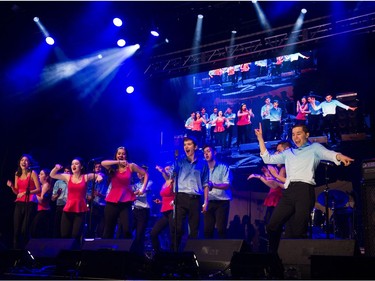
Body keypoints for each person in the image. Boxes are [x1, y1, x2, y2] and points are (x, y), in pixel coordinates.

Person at [254, 123, 354, 254]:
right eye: (293, 134)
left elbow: (329, 154)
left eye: (299, 133)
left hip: (304, 191)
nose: (295, 137)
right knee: (272, 225)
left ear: (307, 135)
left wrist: (340, 157)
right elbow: (267, 159)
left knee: (298, 231)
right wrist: (261, 139)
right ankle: (273, 257)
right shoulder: (288, 152)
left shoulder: (314, 148)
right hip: (289, 191)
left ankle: (298, 263)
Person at [50, 158, 103, 242]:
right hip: (68, 208)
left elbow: (97, 175)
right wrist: (56, 168)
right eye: (72, 164)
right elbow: (52, 175)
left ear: (81, 166)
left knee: (76, 235)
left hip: (80, 209)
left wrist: (100, 176)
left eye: (76, 164)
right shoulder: (68, 177)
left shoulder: (85, 177)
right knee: (64, 234)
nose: (73, 166)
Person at [101, 146, 149, 239]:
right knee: (108, 229)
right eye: (119, 153)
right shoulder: (112, 167)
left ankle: (127, 251)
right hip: (112, 201)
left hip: (126, 201)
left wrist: (143, 188)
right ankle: (107, 251)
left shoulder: (131, 166)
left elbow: (145, 174)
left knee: (127, 229)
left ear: (126, 155)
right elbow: (103, 163)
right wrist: (118, 162)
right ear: (116, 155)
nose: (121, 155)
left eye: (123, 153)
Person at [171, 136, 209, 251]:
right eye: (184, 145)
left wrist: (206, 202)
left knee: (194, 229)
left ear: (195, 147)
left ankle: (192, 255)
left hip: (195, 199)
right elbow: (172, 178)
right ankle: (174, 255)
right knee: (177, 228)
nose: (186, 147)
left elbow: (205, 184)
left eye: (189, 144)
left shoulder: (203, 164)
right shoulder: (179, 162)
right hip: (181, 197)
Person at [247, 141, 291, 225]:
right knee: (270, 222)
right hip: (274, 196)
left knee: (274, 223)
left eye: (279, 152)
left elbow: (277, 185)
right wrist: (263, 176)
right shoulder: (275, 168)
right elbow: (274, 184)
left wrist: (269, 176)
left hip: (280, 197)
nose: (277, 155)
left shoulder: (283, 168)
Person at [6, 154, 41, 249]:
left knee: (24, 230)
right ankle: (16, 254)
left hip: (30, 203)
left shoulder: (33, 173)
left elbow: (39, 189)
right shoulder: (17, 173)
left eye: (26, 160)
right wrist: (12, 186)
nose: (23, 162)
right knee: (16, 230)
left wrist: (26, 192)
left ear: (29, 163)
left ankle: (28, 251)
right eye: (22, 160)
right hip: (19, 202)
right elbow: (17, 191)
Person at [202, 144, 232, 239]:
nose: (206, 154)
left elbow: (227, 185)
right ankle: (208, 252)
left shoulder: (224, 167)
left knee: (221, 230)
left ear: (214, 152)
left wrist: (213, 185)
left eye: (208, 151)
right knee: (207, 230)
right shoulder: (203, 169)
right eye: (204, 152)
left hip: (222, 202)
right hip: (209, 201)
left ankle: (223, 252)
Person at [150, 165, 175, 253]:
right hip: (165, 212)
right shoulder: (166, 182)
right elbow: (167, 197)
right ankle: (159, 253)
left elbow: (178, 195)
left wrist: (174, 202)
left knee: (173, 234)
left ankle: (174, 255)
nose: (166, 170)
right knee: (153, 233)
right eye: (166, 169)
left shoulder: (174, 182)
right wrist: (160, 202)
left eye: (169, 169)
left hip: (173, 211)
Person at [131, 165, 153, 254]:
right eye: (137, 172)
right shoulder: (136, 184)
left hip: (143, 211)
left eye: (140, 172)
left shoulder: (150, 182)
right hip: (135, 210)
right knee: (128, 230)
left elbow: (141, 192)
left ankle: (139, 253)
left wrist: (131, 195)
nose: (138, 174)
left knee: (140, 234)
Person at [86, 162, 109, 238]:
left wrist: (99, 195)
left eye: (100, 167)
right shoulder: (91, 181)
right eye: (96, 167)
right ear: (93, 169)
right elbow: (87, 193)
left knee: (102, 225)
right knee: (91, 224)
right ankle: (90, 240)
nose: (98, 168)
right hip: (93, 205)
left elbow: (107, 195)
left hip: (103, 205)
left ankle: (100, 241)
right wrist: (90, 196)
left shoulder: (105, 178)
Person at [31, 168, 53, 238]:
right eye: (39, 174)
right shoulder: (41, 186)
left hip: (44, 211)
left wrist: (32, 194)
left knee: (35, 229)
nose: (39, 175)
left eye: (41, 174)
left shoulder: (46, 185)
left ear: (46, 177)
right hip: (40, 210)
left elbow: (41, 200)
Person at [51, 166, 70, 238]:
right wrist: (57, 194)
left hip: (69, 205)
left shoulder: (72, 181)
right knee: (58, 223)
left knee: (66, 224)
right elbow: (53, 198)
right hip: (60, 204)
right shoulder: (58, 182)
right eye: (65, 171)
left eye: (68, 171)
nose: (66, 173)